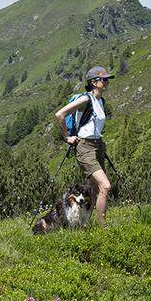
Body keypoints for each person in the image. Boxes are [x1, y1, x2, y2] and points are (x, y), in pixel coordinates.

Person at [54, 66, 114, 226]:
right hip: (85, 147)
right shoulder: (85, 99)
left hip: (98, 146)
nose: (107, 82)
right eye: (104, 79)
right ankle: (102, 225)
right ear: (94, 82)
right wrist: (67, 137)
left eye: (107, 79)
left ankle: (85, 222)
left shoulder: (101, 101)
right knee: (105, 186)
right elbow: (60, 114)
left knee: (96, 188)